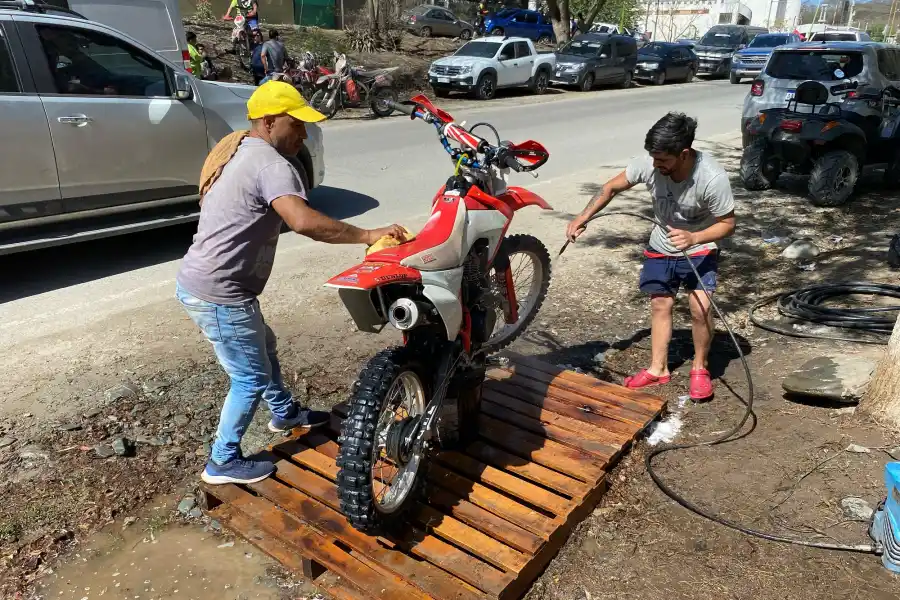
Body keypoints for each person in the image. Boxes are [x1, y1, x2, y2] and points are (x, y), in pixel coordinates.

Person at [176, 81, 406, 485]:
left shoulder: (240, 149)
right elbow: (303, 221)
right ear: (268, 122)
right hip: (220, 293)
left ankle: (284, 413)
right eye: (295, 124)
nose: (302, 134)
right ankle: (222, 460)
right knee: (249, 377)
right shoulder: (270, 165)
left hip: (213, 285)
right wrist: (368, 236)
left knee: (262, 346)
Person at [565, 113, 736, 401]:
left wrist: (694, 237)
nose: (656, 165)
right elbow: (611, 187)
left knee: (700, 308)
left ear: (683, 154)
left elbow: (728, 223)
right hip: (661, 244)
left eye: (663, 161)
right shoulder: (650, 163)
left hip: (699, 246)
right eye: (653, 159)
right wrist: (583, 217)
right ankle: (658, 369)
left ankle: (699, 368)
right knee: (660, 304)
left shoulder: (712, 177)